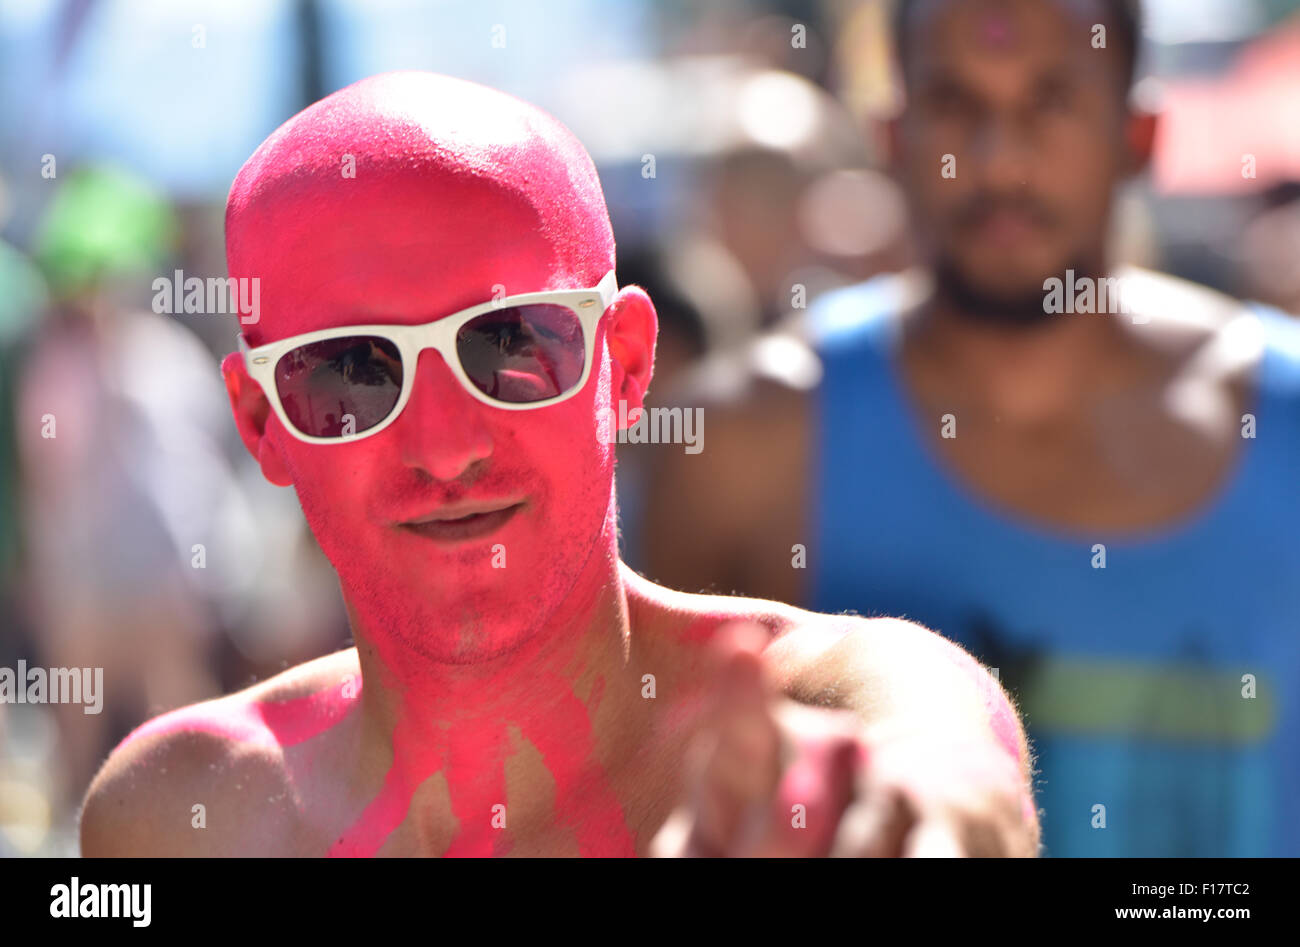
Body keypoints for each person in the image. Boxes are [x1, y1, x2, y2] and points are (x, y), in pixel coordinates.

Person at [78, 71, 1036, 858]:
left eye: (511, 346)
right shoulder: (177, 819)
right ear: (262, 423)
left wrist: (904, 823)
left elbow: (947, 778)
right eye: (351, 375)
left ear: (623, 367)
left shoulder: (844, 702)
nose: (447, 444)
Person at [643, 0, 1300, 857]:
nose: (1000, 161)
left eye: (1051, 101)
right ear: (891, 138)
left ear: (1139, 136)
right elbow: (654, 799)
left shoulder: (1287, 425)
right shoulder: (747, 445)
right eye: (956, 105)